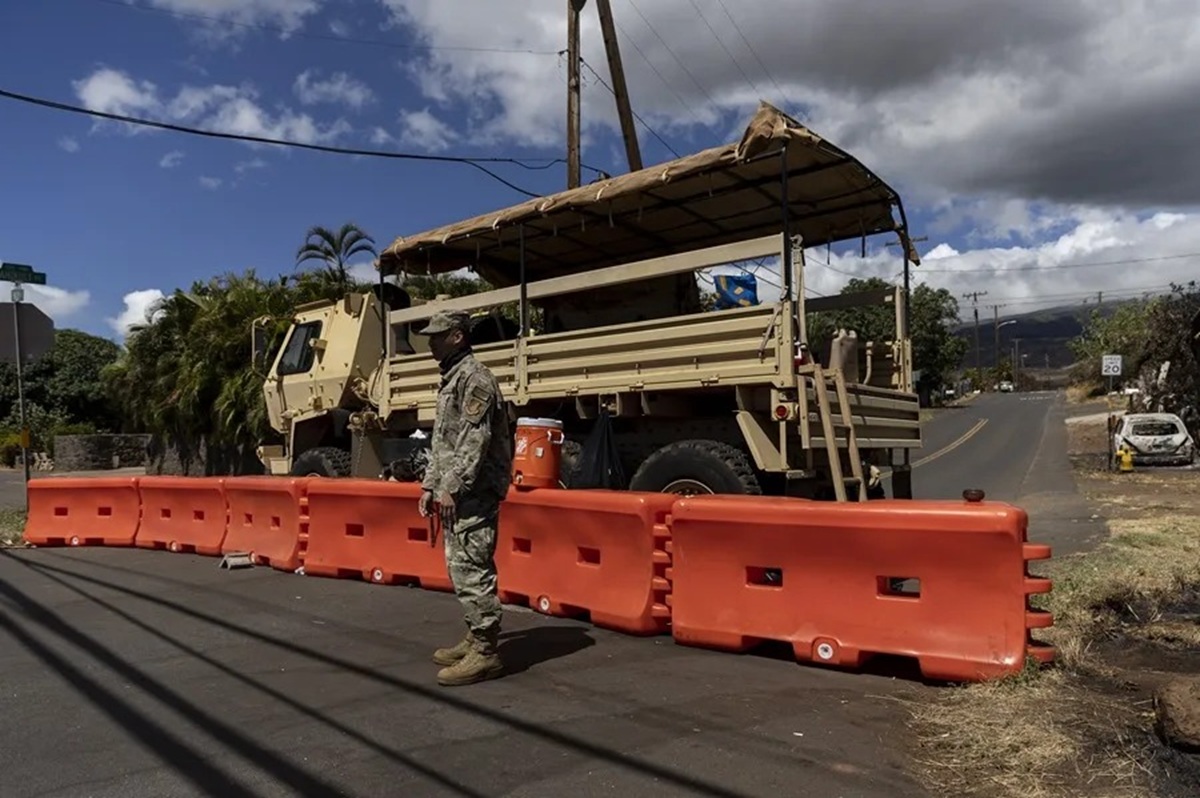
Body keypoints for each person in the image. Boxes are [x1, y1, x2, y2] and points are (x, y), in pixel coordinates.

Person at [415, 309, 513, 686]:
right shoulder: (453, 378)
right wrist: (430, 484)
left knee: (472, 566)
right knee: (460, 564)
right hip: (459, 489)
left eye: (437, 336)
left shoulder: (475, 379)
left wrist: (452, 485)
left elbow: (475, 440)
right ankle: (476, 635)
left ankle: (487, 652)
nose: (430, 343)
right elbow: (445, 441)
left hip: (474, 490)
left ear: (458, 336)